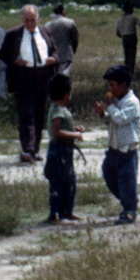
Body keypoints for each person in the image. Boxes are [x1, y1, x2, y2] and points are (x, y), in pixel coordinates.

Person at [0, 5, 58, 164]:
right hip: (23, 77)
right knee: (26, 115)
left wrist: (53, 58)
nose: (30, 23)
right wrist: (14, 61)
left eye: (33, 20)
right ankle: (28, 149)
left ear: (38, 19)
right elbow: (3, 54)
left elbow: (54, 50)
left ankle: (36, 149)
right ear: (22, 20)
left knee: (40, 114)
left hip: (43, 76)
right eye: (27, 20)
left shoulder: (45, 31)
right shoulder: (13, 34)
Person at [96, 64, 140, 225]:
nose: (110, 89)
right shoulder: (115, 101)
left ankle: (129, 210)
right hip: (114, 148)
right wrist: (103, 113)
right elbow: (112, 120)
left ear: (123, 85)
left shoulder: (132, 102)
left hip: (127, 150)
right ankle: (128, 200)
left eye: (112, 85)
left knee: (126, 179)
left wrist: (111, 106)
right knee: (108, 173)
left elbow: (121, 119)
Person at [44, 75, 84, 224]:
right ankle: (56, 213)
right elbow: (56, 131)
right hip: (59, 150)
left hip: (64, 151)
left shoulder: (57, 109)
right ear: (66, 94)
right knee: (60, 181)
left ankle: (66, 212)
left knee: (68, 181)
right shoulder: (59, 111)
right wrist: (75, 135)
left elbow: (62, 128)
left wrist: (75, 129)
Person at [115, 1, 140, 75]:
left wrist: (123, 35)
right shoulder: (132, 17)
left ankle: (125, 72)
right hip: (132, 37)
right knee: (132, 57)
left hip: (124, 38)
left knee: (126, 56)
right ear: (129, 9)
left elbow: (117, 33)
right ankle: (130, 73)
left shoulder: (119, 19)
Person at [46, 3, 80, 76]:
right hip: (66, 54)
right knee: (63, 77)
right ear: (63, 11)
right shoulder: (70, 22)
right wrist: (73, 50)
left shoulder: (48, 25)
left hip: (53, 55)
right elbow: (75, 39)